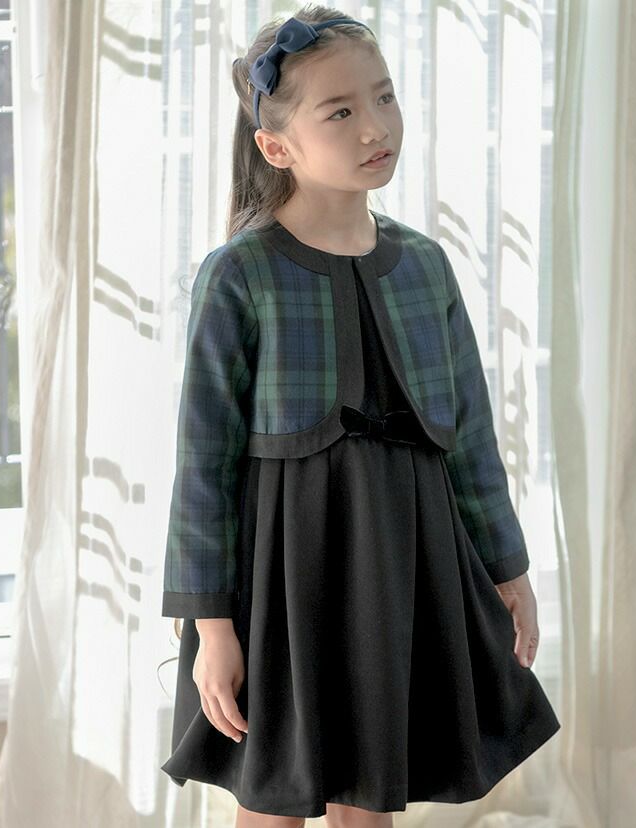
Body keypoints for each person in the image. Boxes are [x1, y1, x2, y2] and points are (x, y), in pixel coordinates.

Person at [159, 5, 561, 827]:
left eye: (384, 96)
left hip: (402, 562)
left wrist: (508, 565)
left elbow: (470, 435)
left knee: (371, 787)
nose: (376, 126)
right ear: (278, 147)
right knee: (273, 791)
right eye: (340, 111)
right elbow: (203, 463)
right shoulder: (240, 275)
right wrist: (213, 626)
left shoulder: (425, 266)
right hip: (283, 578)